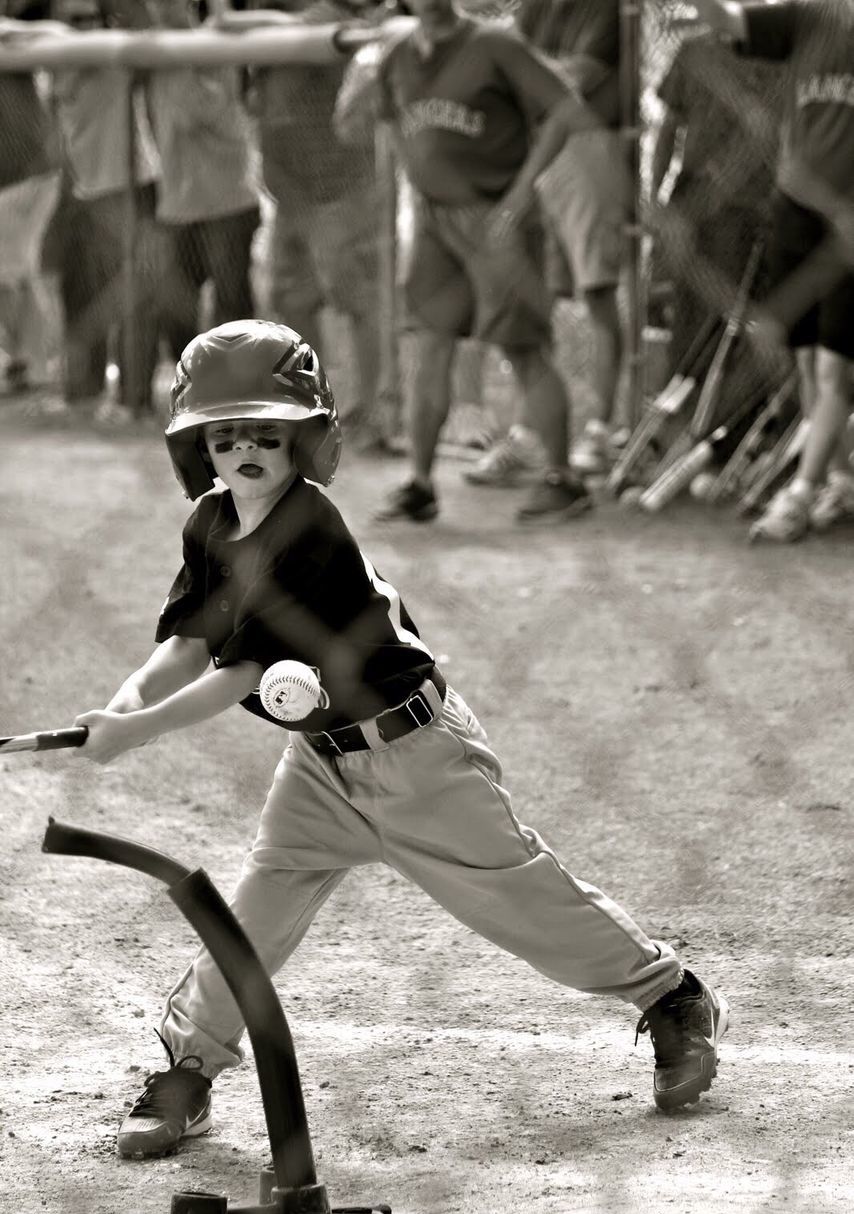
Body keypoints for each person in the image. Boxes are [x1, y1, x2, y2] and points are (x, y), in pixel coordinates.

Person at [73, 317, 729, 1158]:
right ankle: (189, 1070)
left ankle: (670, 995)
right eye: (225, 434)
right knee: (254, 916)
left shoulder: (310, 527)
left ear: (305, 441)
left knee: (519, 899)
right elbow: (190, 643)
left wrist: (136, 733)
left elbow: (238, 676)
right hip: (319, 766)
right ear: (197, 446)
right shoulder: (210, 524)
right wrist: (119, 707)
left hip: (417, 755)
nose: (244, 451)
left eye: (267, 434)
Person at [333, 0, 598, 524]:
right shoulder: (397, 55)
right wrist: (365, 84)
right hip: (435, 221)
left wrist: (519, 199)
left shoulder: (494, 44)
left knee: (522, 348)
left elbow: (568, 111)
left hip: (499, 219)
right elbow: (360, 127)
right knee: (429, 347)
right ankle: (421, 484)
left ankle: (565, 480)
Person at [693, 0, 854, 543]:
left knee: (838, 369)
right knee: (807, 363)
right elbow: (726, 22)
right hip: (795, 208)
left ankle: (801, 493)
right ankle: (839, 478)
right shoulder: (810, 19)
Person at [218, 0, 389, 448]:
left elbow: (289, 28)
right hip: (291, 195)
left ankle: (375, 411)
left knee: (357, 300)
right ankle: (314, 404)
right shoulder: (276, 22)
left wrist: (236, 20)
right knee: (289, 299)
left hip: (339, 189)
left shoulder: (325, 17)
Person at [648, 26, 785, 449]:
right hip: (696, 204)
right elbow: (669, 127)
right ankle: (677, 424)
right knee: (687, 316)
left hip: (760, 205)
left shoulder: (785, 50)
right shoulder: (695, 48)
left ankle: (730, 431)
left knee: (746, 321)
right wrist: (656, 197)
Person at [509, 0, 628, 480]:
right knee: (537, 297)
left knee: (597, 291)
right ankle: (527, 432)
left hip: (590, 146)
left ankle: (599, 431)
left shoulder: (605, 8)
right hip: (538, 151)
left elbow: (574, 75)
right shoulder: (536, 7)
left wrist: (518, 71)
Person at [49, 0, 163, 415]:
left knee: (135, 294)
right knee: (82, 294)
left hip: (133, 186)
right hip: (84, 192)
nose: (86, 29)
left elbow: (147, 25)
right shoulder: (55, 60)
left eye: (92, 19)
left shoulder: (116, 54)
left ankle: (134, 397)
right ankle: (84, 392)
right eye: (75, 21)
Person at [146, 0, 262, 360]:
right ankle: (192, 393)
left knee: (232, 315)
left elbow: (193, 109)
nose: (162, 7)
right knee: (172, 312)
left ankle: (238, 393)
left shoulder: (213, 42)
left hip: (226, 202)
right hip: (177, 206)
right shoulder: (151, 49)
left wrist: (168, 53)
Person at [0, 3, 62, 393]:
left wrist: (8, 28)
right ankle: (26, 362)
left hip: (26, 176)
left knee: (13, 272)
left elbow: (58, 36)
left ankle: (33, 366)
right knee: (13, 272)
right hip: (21, 177)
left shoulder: (11, 35)